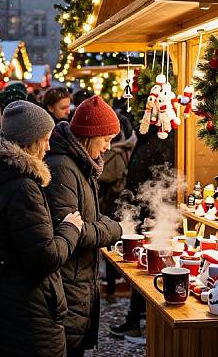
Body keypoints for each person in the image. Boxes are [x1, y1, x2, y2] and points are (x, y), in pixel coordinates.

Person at [0, 101, 83, 357]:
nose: (49, 147)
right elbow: (44, 257)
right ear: (29, 141)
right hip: (26, 315)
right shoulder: (21, 187)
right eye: (46, 139)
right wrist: (70, 230)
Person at [45, 95, 123, 357]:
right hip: (68, 281)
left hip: (78, 279)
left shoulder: (81, 163)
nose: (108, 147)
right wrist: (112, 230)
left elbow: (84, 220)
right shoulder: (63, 167)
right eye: (106, 140)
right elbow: (71, 228)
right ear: (90, 136)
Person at [109, 125, 175, 341]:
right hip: (144, 214)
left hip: (153, 215)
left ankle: (139, 321)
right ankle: (136, 320)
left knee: (147, 270)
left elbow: (161, 179)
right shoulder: (149, 139)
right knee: (142, 270)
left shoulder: (160, 141)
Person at [98, 112, 137, 303]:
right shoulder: (129, 146)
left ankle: (113, 290)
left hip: (114, 204)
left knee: (112, 247)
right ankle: (113, 287)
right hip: (117, 203)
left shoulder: (117, 152)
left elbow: (107, 175)